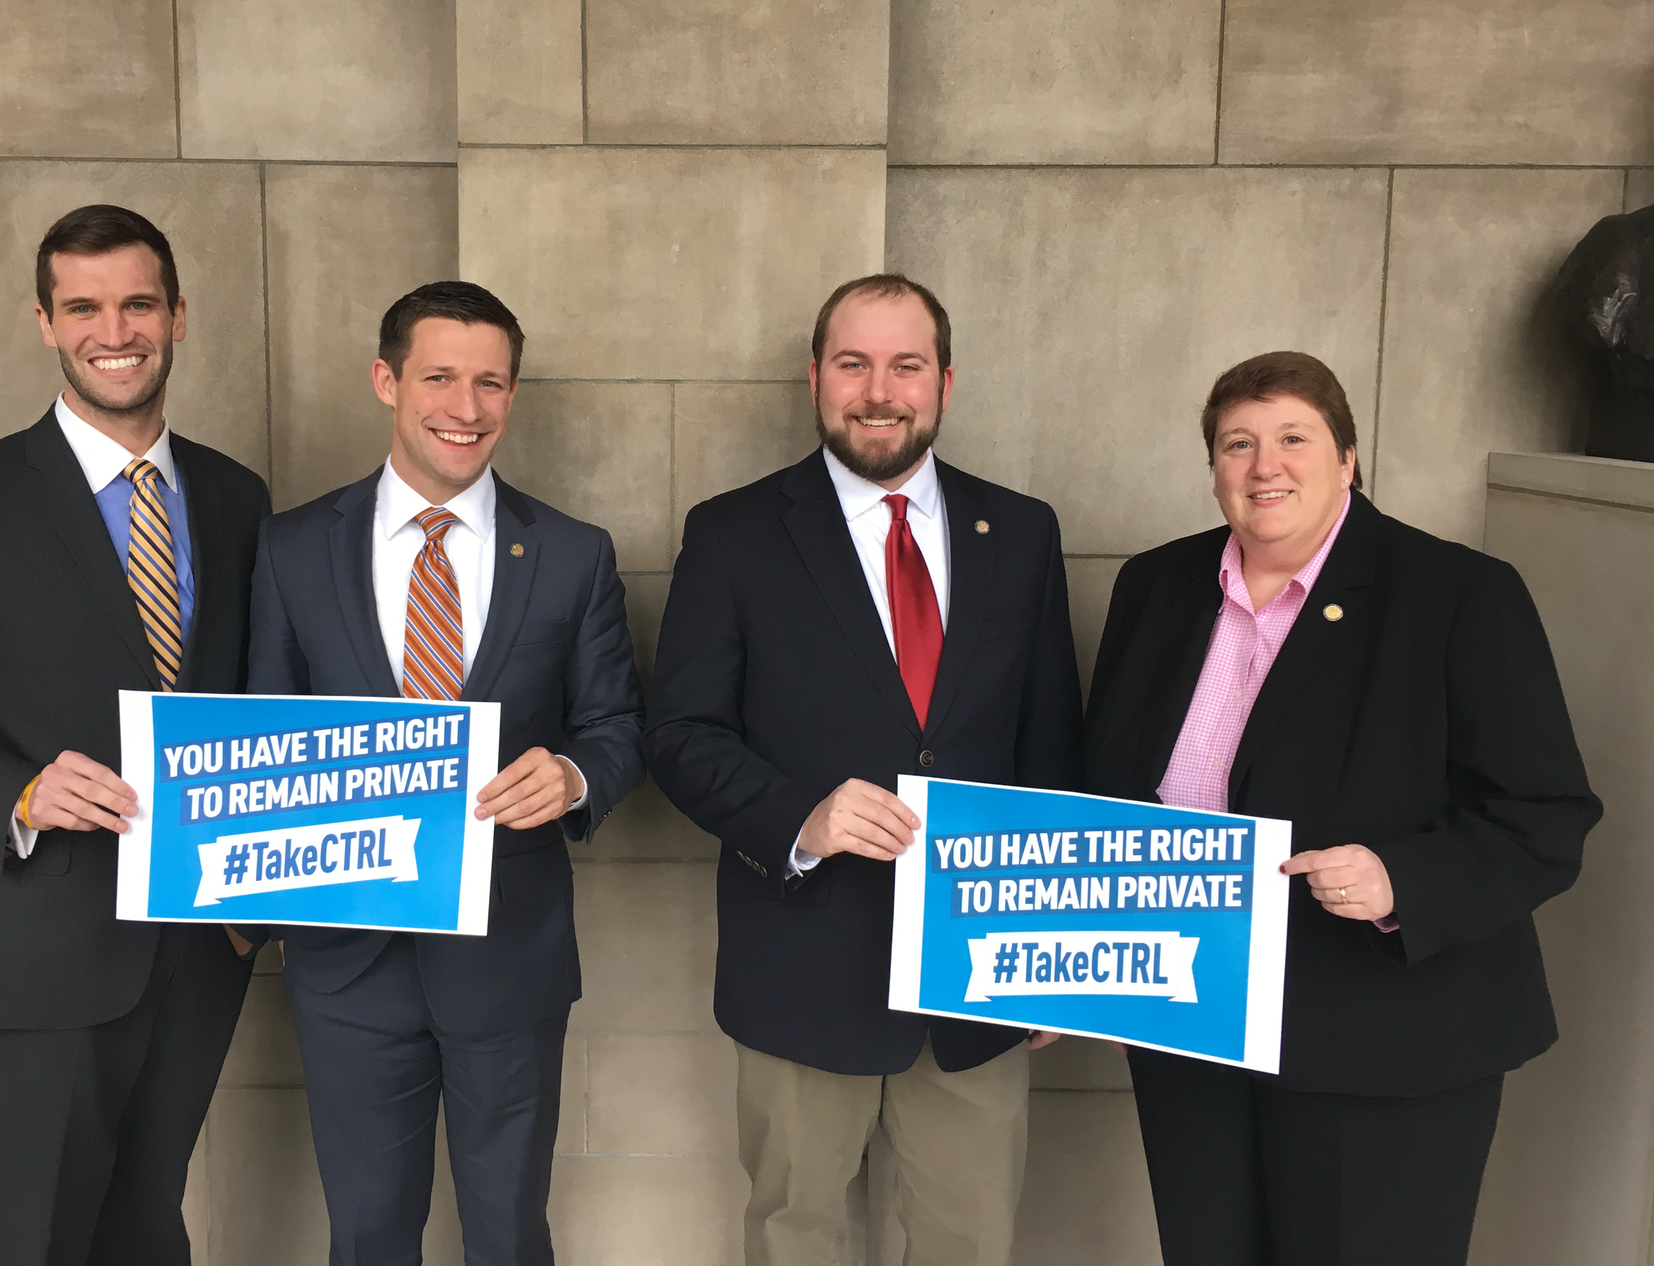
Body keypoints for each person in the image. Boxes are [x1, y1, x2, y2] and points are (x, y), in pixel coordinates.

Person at [1083, 350, 1601, 1266]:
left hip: (1385, 1044)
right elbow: (1110, 794)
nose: (1263, 465)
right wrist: (1084, 972)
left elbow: (1546, 813)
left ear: (1348, 457)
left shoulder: (1456, 595)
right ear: (1213, 469)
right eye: (1237, 443)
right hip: (1191, 1028)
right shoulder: (1156, 588)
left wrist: (1401, 878)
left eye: (1293, 437)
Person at [0, 204, 271, 1265]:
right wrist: (18, 794)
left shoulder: (234, 497)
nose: (110, 330)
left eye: (135, 304)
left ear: (178, 316)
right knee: (33, 1242)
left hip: (200, 948)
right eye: (82, 306)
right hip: (37, 952)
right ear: (44, 321)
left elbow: (261, 697)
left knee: (145, 1230)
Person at [644, 274, 1083, 1264]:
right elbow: (679, 733)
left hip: (981, 981)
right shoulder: (734, 535)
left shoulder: (1020, 533)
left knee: (970, 1244)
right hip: (802, 970)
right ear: (814, 379)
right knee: (796, 1240)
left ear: (945, 382)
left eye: (905, 365)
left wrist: (1060, 953)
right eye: (853, 363)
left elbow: (1050, 745)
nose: (878, 390)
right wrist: (801, 815)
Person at [246, 280, 645, 1264]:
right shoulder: (293, 549)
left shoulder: (574, 556)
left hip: (509, 959)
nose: (465, 409)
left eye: (491, 383)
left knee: (509, 1234)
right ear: (386, 381)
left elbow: (618, 726)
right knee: (369, 1232)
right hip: (347, 963)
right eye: (438, 378)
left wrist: (575, 776)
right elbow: (259, 736)